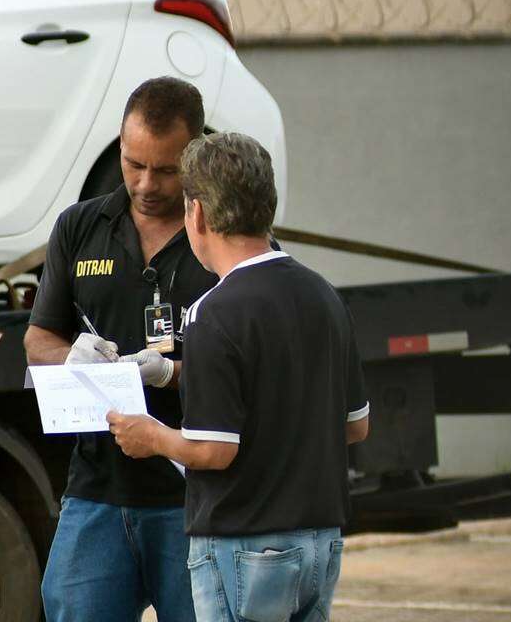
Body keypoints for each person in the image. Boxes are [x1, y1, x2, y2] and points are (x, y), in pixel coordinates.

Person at [107, 131, 371, 622]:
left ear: (198, 214)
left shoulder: (214, 312)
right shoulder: (325, 297)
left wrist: (153, 436)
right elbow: (355, 425)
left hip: (244, 544)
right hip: (322, 543)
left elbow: (214, 450)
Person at [25, 77, 218, 622]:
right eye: (135, 164)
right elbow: (38, 338)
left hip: (197, 496)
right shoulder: (80, 227)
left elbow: (258, 357)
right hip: (98, 491)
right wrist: (70, 358)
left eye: (166, 169)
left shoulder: (224, 234)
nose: (146, 183)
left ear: (196, 154)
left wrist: (173, 372)